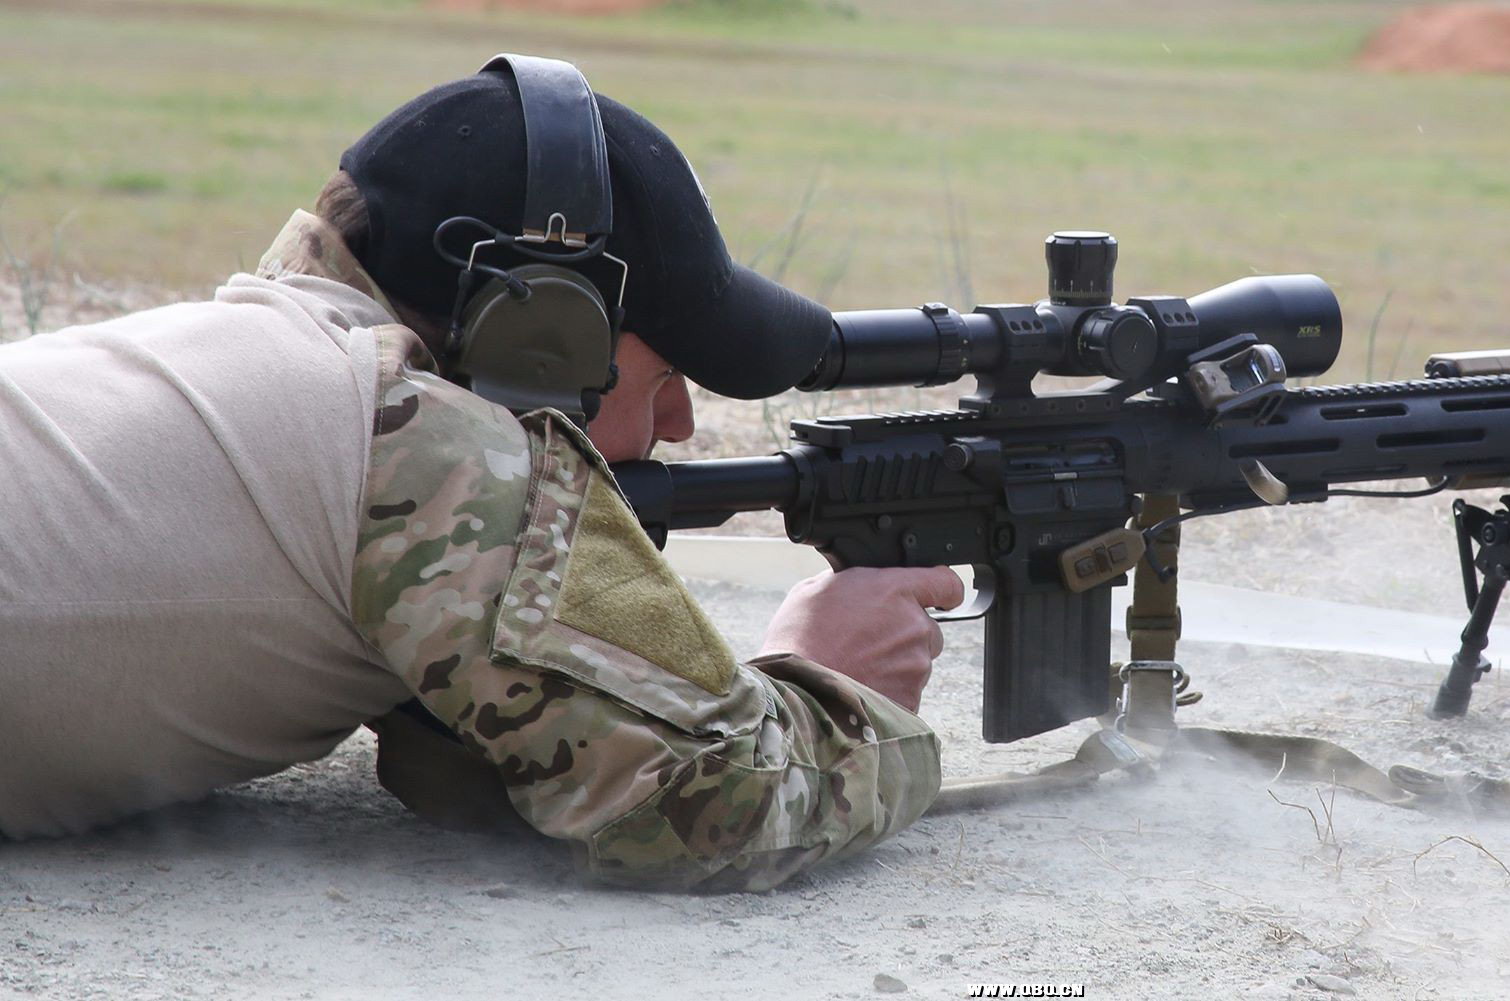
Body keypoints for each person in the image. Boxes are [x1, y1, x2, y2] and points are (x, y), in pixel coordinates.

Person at [0, 56, 962, 892]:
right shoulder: (412, 440)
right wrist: (832, 683)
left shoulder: (271, 356)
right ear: (542, 339)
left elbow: (493, 756)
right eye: (668, 373)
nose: (677, 421)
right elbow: (719, 804)